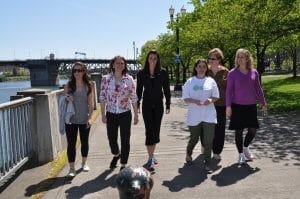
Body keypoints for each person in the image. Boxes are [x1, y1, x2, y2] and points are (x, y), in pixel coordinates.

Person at [226, 48, 267, 165]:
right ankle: (240, 155)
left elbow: (258, 89)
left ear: (247, 58)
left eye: (242, 57)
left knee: (252, 130)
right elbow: (229, 91)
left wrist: (263, 102)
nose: (240, 59)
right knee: (238, 132)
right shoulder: (232, 73)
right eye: (238, 57)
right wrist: (228, 106)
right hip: (237, 106)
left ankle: (245, 147)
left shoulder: (254, 72)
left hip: (251, 106)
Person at [99, 55, 139, 171]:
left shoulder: (129, 79)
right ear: (113, 65)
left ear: (124, 65)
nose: (120, 65)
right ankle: (116, 154)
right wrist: (102, 114)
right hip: (111, 113)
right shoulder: (105, 79)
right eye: (117, 63)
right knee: (112, 139)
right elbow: (102, 97)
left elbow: (134, 97)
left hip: (125, 113)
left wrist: (136, 114)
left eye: (122, 63)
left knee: (125, 139)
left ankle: (123, 164)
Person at [136, 50, 171, 171]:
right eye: (150, 58)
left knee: (156, 131)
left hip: (158, 105)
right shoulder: (141, 73)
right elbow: (138, 91)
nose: (152, 60)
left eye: (155, 58)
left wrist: (168, 104)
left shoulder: (163, 73)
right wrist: (137, 104)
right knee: (149, 130)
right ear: (147, 59)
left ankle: (152, 154)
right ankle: (150, 158)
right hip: (146, 105)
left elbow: (166, 89)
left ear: (158, 60)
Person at [182, 59, 219, 172]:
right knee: (194, 138)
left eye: (204, 66)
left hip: (209, 115)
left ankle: (207, 163)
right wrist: (195, 101)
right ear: (196, 68)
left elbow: (216, 96)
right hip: (194, 116)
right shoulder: (190, 82)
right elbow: (186, 99)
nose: (202, 68)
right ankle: (189, 153)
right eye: (199, 66)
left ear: (206, 68)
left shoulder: (211, 81)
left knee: (208, 140)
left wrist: (209, 100)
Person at [64, 62, 94, 177]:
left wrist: (90, 118)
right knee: (71, 144)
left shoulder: (89, 85)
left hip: (84, 119)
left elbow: (90, 104)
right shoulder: (69, 85)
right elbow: (62, 100)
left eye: (79, 70)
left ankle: (84, 163)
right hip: (70, 120)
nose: (77, 72)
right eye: (75, 70)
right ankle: (71, 169)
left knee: (84, 142)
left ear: (84, 71)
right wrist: (67, 99)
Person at [207, 48, 229, 160]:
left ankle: (216, 151)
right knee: (207, 128)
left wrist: (230, 105)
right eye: (209, 58)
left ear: (219, 59)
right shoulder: (205, 71)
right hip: (206, 105)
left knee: (220, 129)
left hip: (221, 104)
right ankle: (206, 146)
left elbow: (230, 89)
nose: (210, 60)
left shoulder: (226, 72)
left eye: (213, 58)